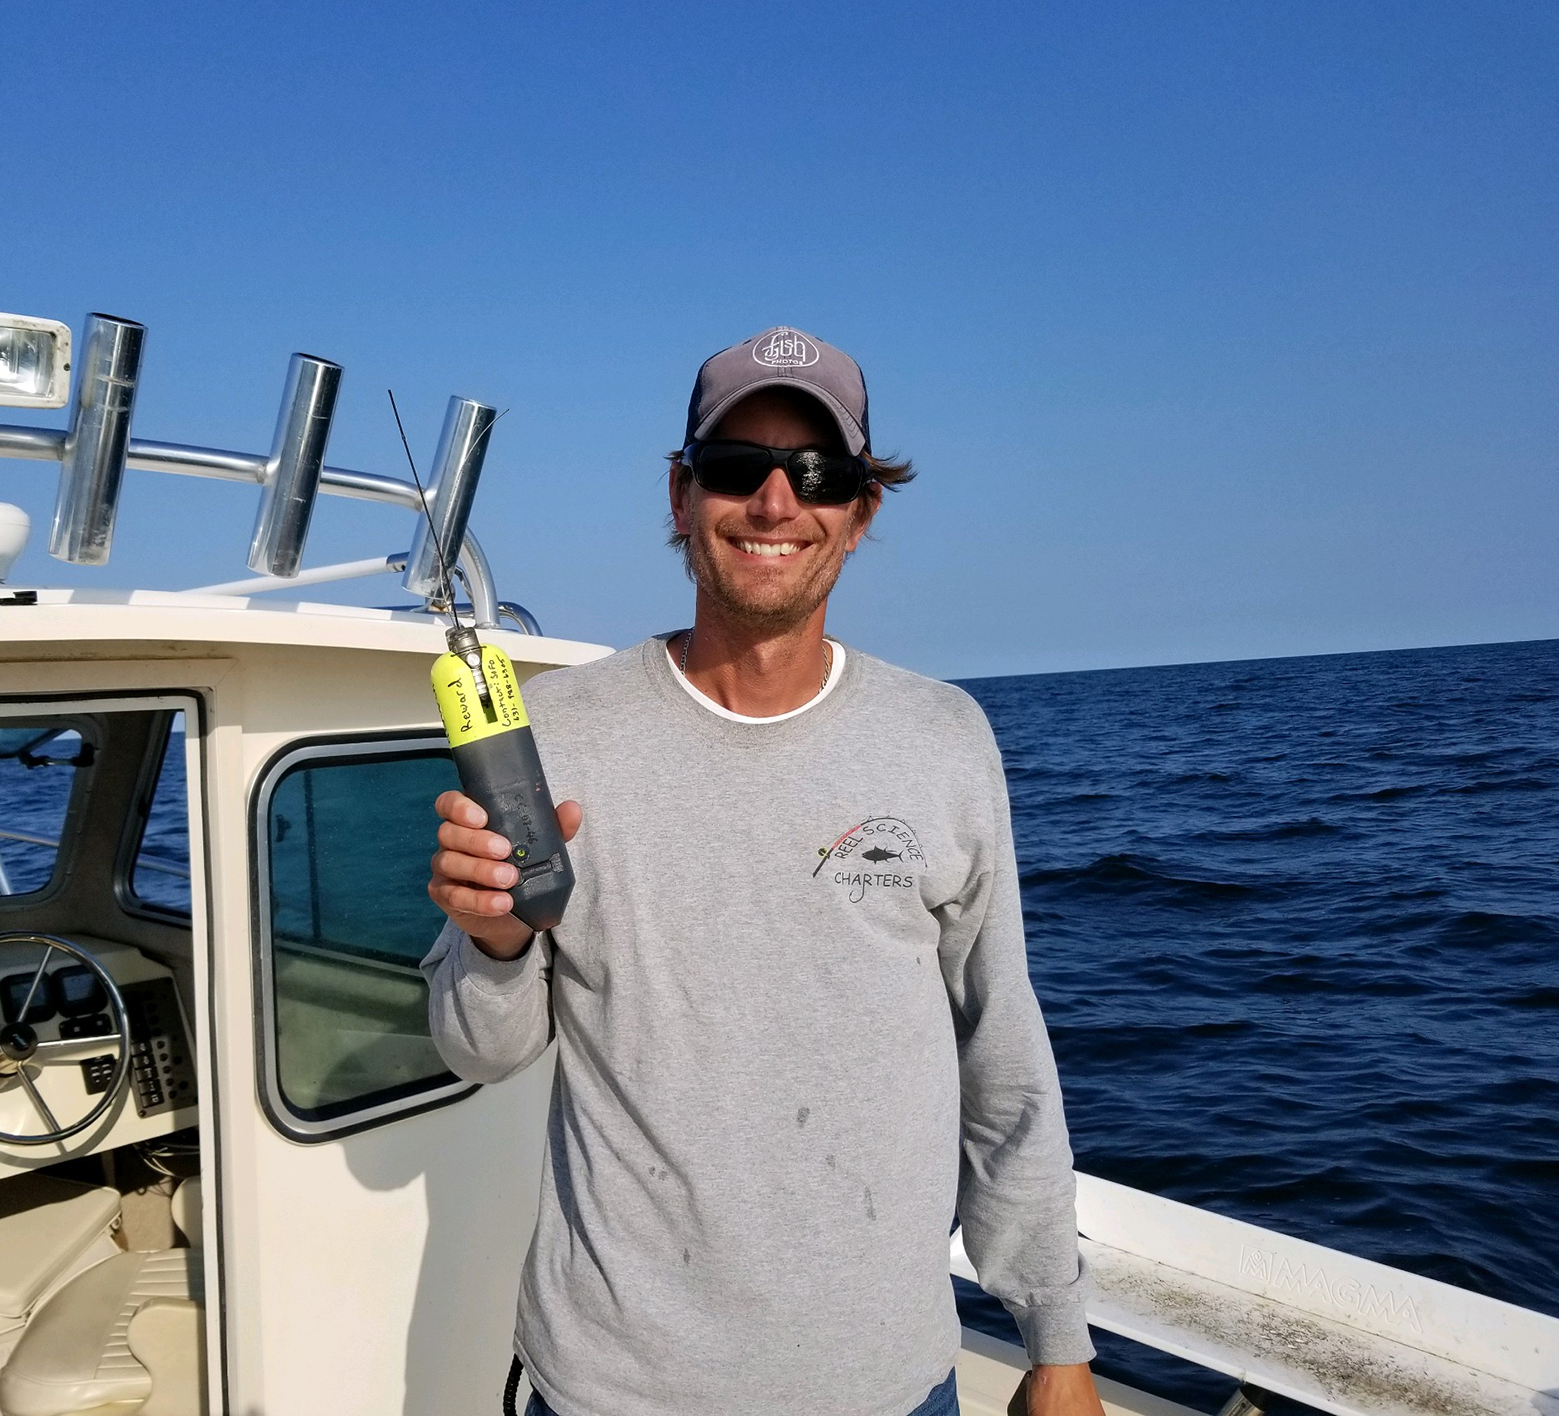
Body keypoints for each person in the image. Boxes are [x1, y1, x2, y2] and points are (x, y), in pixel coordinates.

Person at [421, 327, 1104, 1416]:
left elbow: (1002, 1049)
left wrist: (1056, 1340)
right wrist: (496, 939)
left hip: (886, 1383)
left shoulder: (942, 737)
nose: (776, 503)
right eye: (738, 468)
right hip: (611, 1387)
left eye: (819, 472)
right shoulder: (551, 729)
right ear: (685, 495)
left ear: (861, 508)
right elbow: (479, 1046)